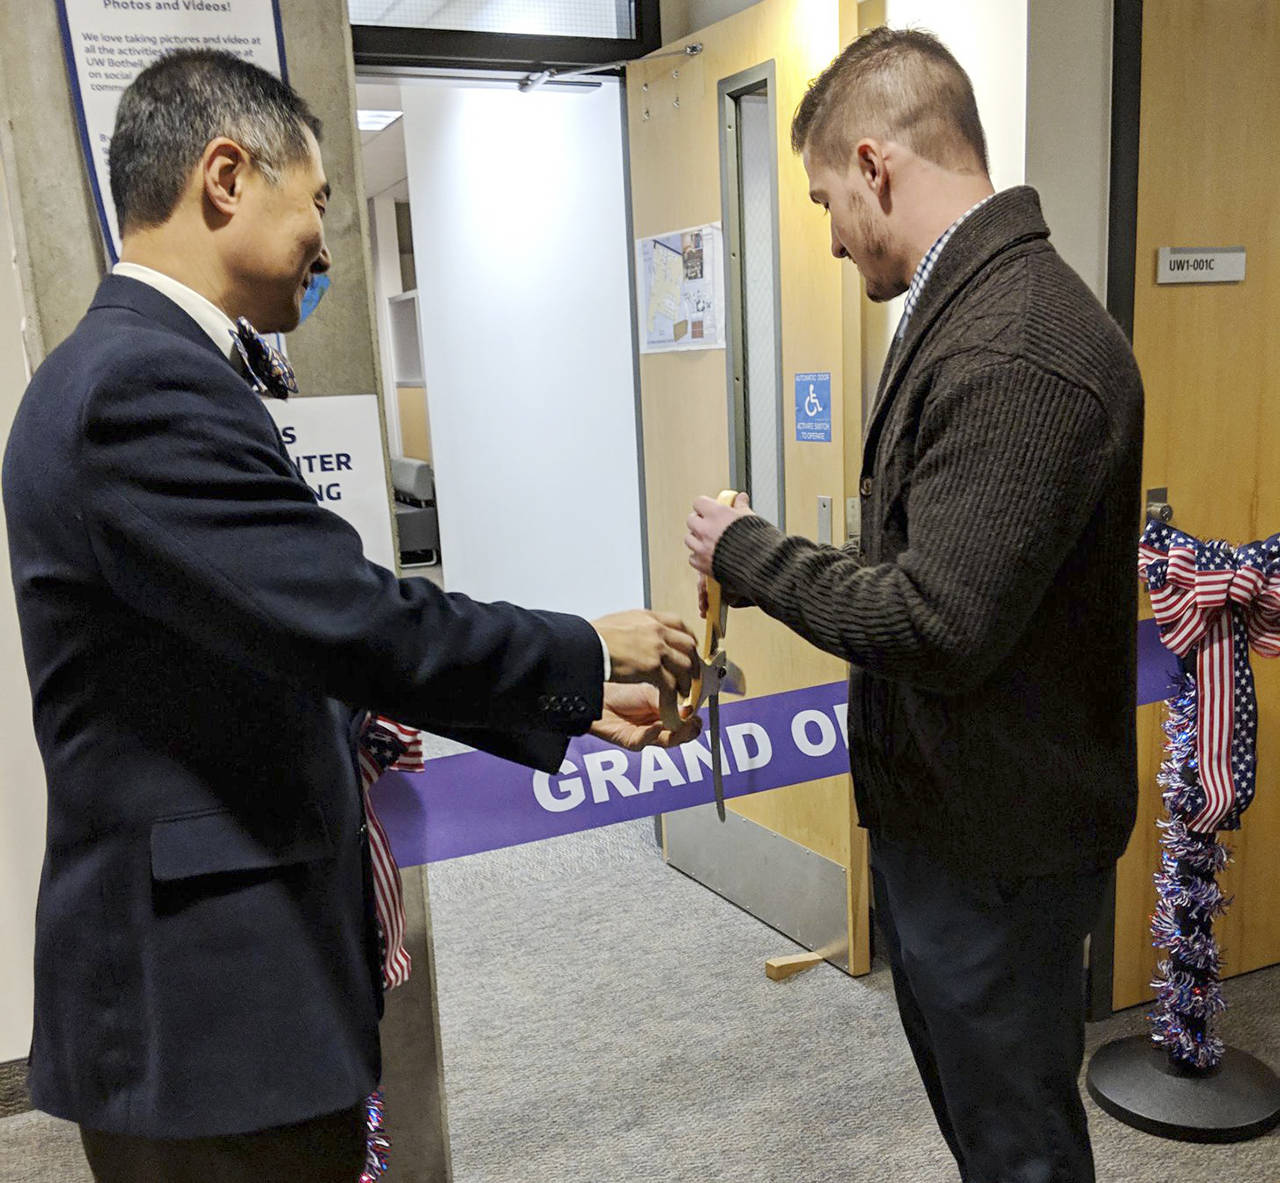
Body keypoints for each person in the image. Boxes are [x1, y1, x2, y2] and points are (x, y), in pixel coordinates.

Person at [2, 50, 699, 1182]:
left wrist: (559, 704)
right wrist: (578, 645)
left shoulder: (150, 369)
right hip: (205, 1014)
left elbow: (279, 639)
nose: (330, 241)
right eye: (317, 198)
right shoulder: (137, 387)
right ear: (225, 176)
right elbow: (344, 614)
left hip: (227, 990)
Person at [685, 27, 1143, 1183]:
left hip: (1000, 850)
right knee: (992, 1133)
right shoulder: (963, 308)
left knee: (1018, 1147)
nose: (829, 234)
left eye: (826, 197)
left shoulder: (1015, 346)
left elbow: (936, 620)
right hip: (957, 829)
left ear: (877, 165)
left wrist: (750, 554)